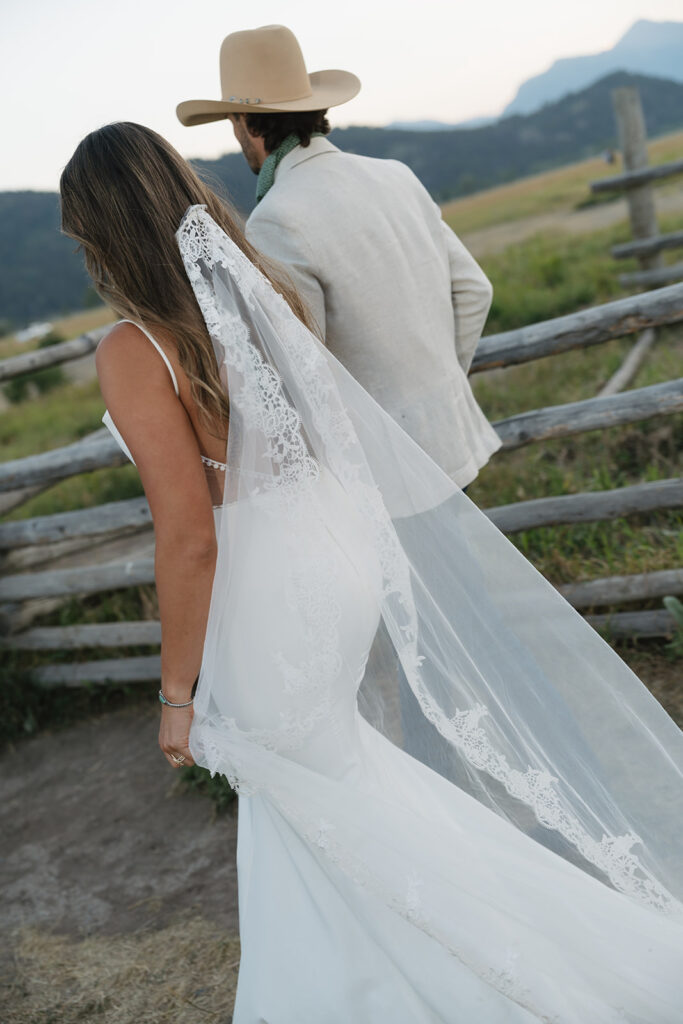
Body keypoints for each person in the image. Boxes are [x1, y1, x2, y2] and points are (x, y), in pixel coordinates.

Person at [60, 122, 683, 1024]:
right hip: (332, 551)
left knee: (312, 785)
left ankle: (397, 983)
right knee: (339, 777)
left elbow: (189, 537)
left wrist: (175, 693)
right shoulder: (259, 290)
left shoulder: (132, 349)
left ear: (100, 231)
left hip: (271, 587)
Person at [176, 24, 502, 488]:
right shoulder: (396, 174)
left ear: (248, 123)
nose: (236, 136)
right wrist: (435, 398)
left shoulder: (275, 218)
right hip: (452, 440)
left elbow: (308, 372)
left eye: (233, 122)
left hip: (384, 476)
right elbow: (475, 290)